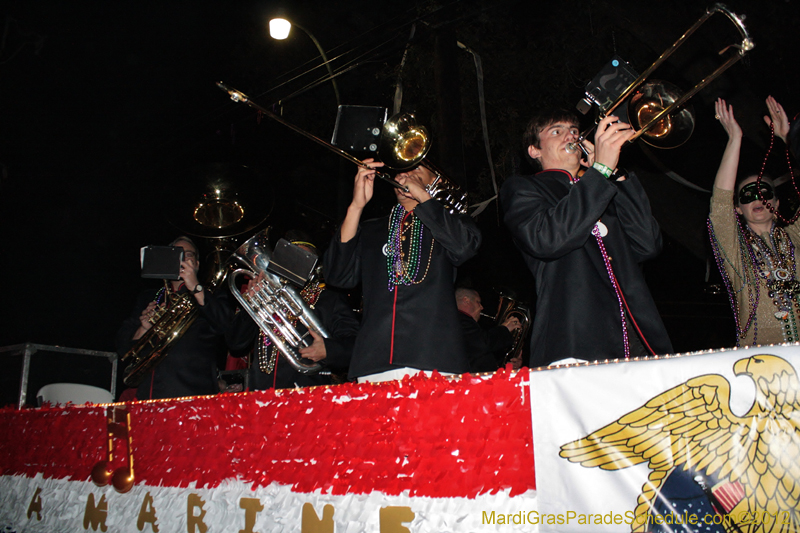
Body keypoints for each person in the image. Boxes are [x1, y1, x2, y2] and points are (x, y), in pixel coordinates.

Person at [500, 111, 673, 367]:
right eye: (556, 131)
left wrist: (616, 176)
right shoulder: (522, 188)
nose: (570, 134)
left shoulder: (601, 187)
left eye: (573, 129)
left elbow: (647, 244)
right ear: (534, 151)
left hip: (639, 337)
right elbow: (547, 239)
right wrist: (600, 172)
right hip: (577, 339)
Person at [324, 161, 482, 382]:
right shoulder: (373, 228)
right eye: (402, 170)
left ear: (435, 181)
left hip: (435, 359)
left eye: (417, 169)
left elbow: (464, 247)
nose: (406, 174)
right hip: (373, 363)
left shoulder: (451, 224)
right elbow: (337, 276)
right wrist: (356, 206)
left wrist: (424, 198)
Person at [708, 96, 799, 346]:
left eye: (764, 192)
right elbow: (719, 206)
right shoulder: (735, 249)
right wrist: (735, 139)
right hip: (760, 360)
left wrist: (790, 140)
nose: (757, 198)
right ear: (737, 208)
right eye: (747, 195)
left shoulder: (795, 236)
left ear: (777, 203)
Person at [116, 236, 248, 400]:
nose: (182, 259)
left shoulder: (211, 296)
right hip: (150, 399)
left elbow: (232, 332)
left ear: (197, 265)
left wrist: (195, 287)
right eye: (176, 254)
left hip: (194, 398)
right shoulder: (149, 297)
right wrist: (143, 329)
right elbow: (123, 351)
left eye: (188, 255)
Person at [242, 232, 360, 390]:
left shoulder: (329, 299)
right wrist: (251, 304)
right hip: (260, 395)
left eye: (304, 256)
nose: (295, 262)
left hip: (307, 398)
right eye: (289, 255)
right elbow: (236, 343)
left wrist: (329, 350)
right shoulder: (264, 296)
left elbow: (356, 345)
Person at [455, 287, 522, 373]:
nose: (482, 307)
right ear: (466, 300)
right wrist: (505, 329)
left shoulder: (468, 325)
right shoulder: (460, 319)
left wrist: (508, 366)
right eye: (478, 302)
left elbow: (480, 357)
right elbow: (482, 343)